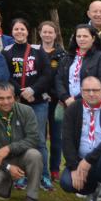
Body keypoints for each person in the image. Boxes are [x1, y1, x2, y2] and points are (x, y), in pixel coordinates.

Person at [2, 17, 53, 191]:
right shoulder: (7, 52)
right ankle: (22, 177)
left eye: (22, 29)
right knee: (18, 139)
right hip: (17, 102)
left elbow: (47, 74)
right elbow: (6, 75)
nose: (19, 32)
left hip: (38, 101)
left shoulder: (38, 51)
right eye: (16, 29)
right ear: (12, 31)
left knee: (38, 138)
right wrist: (21, 91)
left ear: (28, 31)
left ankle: (44, 176)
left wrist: (33, 90)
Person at [0, 81, 44, 201]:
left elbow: (34, 138)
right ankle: (4, 189)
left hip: (23, 155)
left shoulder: (27, 111)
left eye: (9, 97)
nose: (6, 102)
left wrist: (9, 148)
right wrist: (8, 167)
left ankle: (32, 196)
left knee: (35, 155)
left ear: (15, 97)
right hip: (1, 162)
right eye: (1, 98)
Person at [36, 20, 67, 185]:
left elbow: (62, 78)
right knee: (39, 137)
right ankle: (40, 170)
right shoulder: (33, 52)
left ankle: (55, 169)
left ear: (55, 35)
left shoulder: (62, 55)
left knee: (57, 137)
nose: (47, 35)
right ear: (39, 33)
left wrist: (57, 95)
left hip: (57, 102)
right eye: (44, 32)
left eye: (50, 32)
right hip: (37, 100)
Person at [57, 23, 101, 106]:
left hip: (93, 103)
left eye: (85, 36)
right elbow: (59, 79)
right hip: (68, 103)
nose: (81, 39)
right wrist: (65, 98)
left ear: (93, 38)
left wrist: (76, 99)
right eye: (79, 36)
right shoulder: (67, 58)